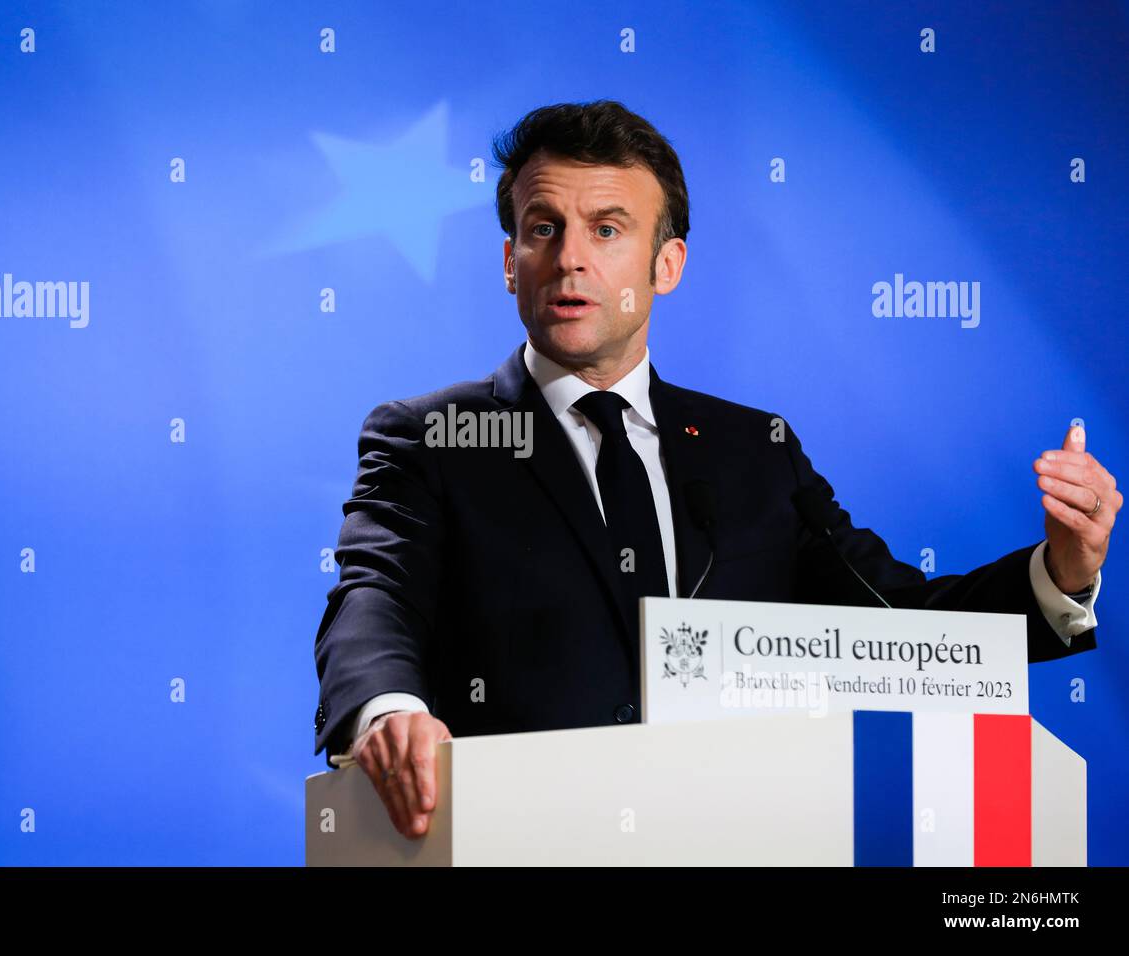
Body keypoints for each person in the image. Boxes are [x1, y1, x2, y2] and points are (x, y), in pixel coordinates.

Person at [311, 100, 1120, 840]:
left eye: (607, 228)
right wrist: (388, 711)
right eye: (541, 226)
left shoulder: (753, 449)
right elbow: (374, 595)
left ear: (667, 266)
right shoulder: (436, 436)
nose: (568, 259)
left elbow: (898, 620)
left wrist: (1060, 571)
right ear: (508, 260)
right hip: (506, 840)